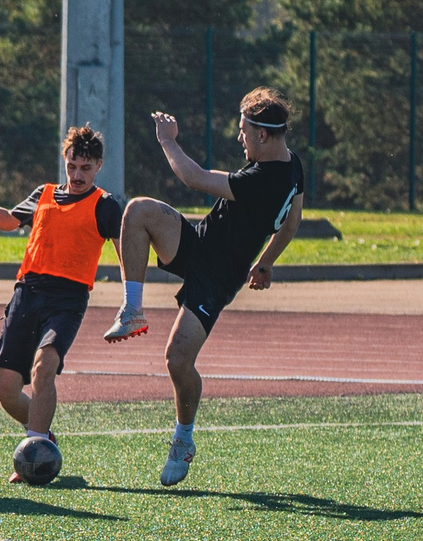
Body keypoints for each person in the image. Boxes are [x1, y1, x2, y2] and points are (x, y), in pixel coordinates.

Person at [101, 88, 303, 486]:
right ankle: (132, 309)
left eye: (243, 130)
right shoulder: (292, 163)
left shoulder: (268, 177)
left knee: (177, 360)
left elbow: (193, 178)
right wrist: (266, 263)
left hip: (217, 278)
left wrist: (167, 141)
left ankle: (183, 438)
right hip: (198, 243)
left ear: (263, 135)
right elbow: (293, 220)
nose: (239, 137)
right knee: (138, 210)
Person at [0, 124, 124, 477]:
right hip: (26, 294)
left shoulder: (104, 205)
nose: (77, 175)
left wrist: (130, 300)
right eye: (72, 166)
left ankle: (35, 449)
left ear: (99, 166)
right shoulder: (43, 194)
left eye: (85, 169)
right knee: (6, 389)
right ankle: (44, 437)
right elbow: (8, 221)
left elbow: (125, 251)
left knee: (44, 367)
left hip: (67, 298)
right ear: (65, 161)